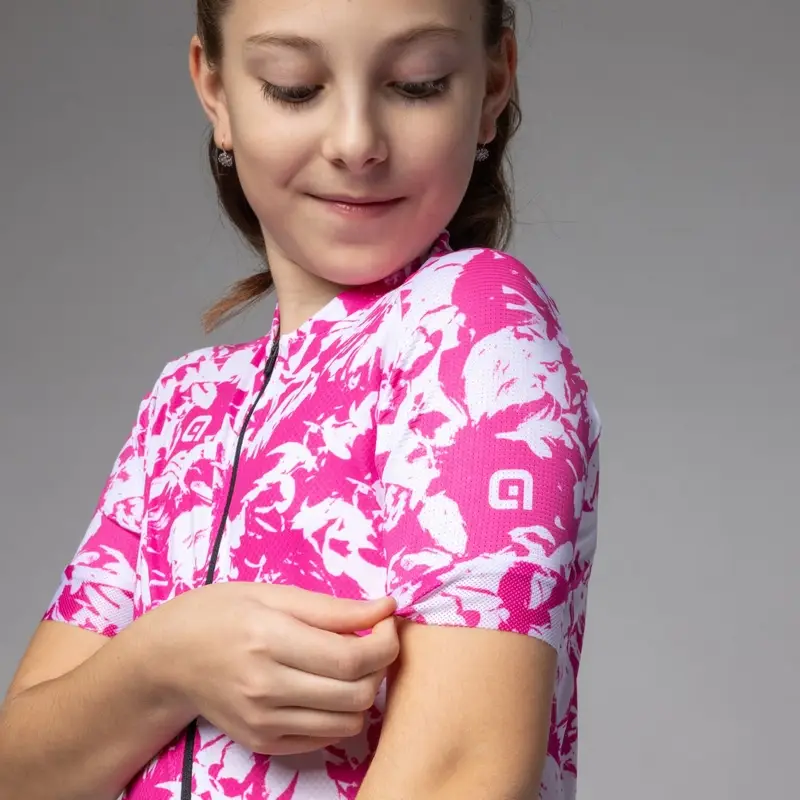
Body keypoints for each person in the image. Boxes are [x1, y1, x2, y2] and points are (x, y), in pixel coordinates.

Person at [0, 0, 601, 798]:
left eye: (417, 82)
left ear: (493, 85)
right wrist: (165, 662)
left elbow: (460, 774)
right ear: (216, 91)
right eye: (294, 86)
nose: (355, 141)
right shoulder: (185, 402)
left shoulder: (475, 325)